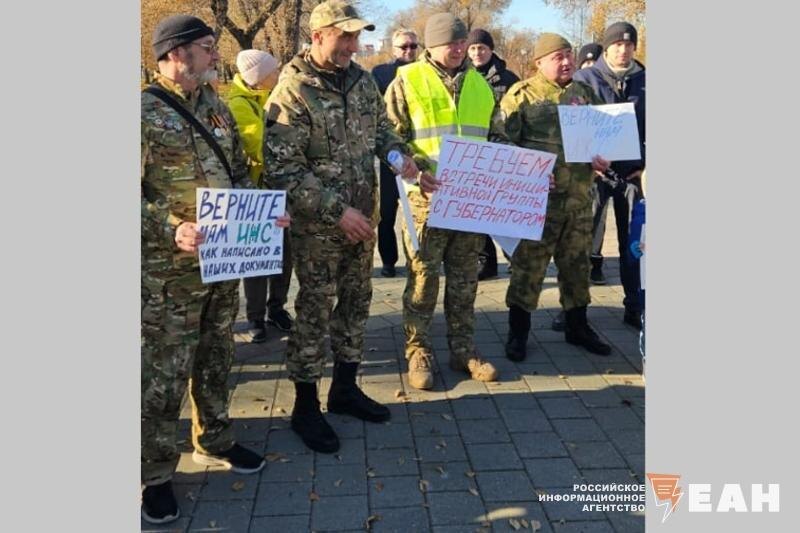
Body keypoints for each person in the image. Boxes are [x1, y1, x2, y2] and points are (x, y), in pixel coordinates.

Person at [141, 15, 289, 524]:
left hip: (222, 263)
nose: (214, 55)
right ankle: (156, 472)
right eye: (207, 47)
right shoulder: (141, 112)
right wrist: (168, 228)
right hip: (168, 274)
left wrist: (266, 212)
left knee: (215, 356)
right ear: (175, 53)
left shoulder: (218, 109)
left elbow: (234, 177)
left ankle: (215, 438)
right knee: (162, 374)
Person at [263, 0, 420, 453]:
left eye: (356, 36)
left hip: (362, 220)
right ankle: (306, 407)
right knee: (314, 312)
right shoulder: (292, 92)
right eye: (344, 36)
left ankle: (345, 389)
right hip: (320, 230)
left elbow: (382, 133)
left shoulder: (362, 81)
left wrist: (398, 158)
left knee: (356, 303)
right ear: (318, 37)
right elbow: (284, 171)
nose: (353, 45)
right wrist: (337, 212)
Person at [385, 13, 507, 390]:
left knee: (464, 280)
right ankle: (418, 350)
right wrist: (416, 169)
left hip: (468, 202)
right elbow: (387, 136)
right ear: (431, 46)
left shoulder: (481, 86)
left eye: (460, 42)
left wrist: (525, 173)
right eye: (449, 43)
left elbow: (495, 137)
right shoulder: (406, 81)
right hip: (425, 199)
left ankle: (463, 348)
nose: (457, 49)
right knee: (423, 280)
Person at [501, 33, 613, 362]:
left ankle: (577, 327)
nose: (566, 62)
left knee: (577, 267)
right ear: (539, 63)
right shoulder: (520, 96)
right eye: (557, 57)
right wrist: (528, 168)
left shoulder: (585, 94)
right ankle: (517, 334)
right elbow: (502, 142)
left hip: (579, 201)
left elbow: (601, 139)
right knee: (528, 270)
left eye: (568, 55)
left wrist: (601, 155)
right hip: (539, 204)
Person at [573, 21, 646, 329]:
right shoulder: (584, 78)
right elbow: (573, 125)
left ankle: (635, 305)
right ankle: (574, 311)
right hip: (593, 176)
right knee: (581, 244)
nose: (624, 49)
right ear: (606, 46)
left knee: (634, 243)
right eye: (617, 44)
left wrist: (646, 164)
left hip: (631, 176)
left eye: (629, 44)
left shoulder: (646, 80)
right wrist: (586, 161)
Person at [227, 49, 295, 343]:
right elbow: (259, 145)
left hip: (278, 191)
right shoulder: (238, 105)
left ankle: (277, 309)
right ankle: (255, 317)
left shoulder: (268, 97)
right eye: (273, 71)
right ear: (258, 76)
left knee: (283, 255)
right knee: (256, 259)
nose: (278, 74)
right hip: (254, 195)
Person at [465, 28, 520, 281]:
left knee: (505, 211)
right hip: (475, 152)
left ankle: (515, 257)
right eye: (473, 48)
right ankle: (486, 261)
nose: (477, 53)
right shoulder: (462, 77)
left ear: (491, 50)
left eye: (482, 48)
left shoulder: (508, 78)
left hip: (503, 150)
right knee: (480, 213)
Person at [371, 29, 420, 278]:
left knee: (417, 213)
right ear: (393, 49)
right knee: (387, 211)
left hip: (418, 153)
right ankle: (388, 260)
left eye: (413, 46)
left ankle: (417, 258)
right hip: (389, 153)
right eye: (403, 47)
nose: (409, 51)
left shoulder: (425, 74)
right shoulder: (381, 73)